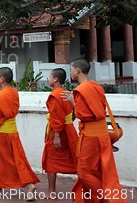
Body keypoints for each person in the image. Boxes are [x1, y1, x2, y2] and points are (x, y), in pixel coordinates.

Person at [61, 58, 126, 203]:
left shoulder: (80, 90)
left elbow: (83, 115)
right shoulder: (96, 86)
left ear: (77, 71)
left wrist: (73, 102)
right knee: (99, 169)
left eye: (71, 69)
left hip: (90, 136)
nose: (70, 72)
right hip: (102, 134)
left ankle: (105, 198)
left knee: (84, 171)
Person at [0, 67, 39, 201]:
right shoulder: (13, 92)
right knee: (18, 159)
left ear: (2, 79)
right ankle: (28, 185)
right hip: (13, 131)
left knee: (0, 161)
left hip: (3, 133)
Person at [41, 68, 77, 196]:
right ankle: (84, 189)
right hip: (70, 129)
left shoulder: (55, 96)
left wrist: (56, 135)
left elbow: (56, 117)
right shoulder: (67, 94)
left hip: (58, 131)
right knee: (76, 157)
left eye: (50, 77)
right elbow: (73, 115)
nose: (48, 79)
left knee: (51, 160)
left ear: (55, 79)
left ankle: (51, 191)